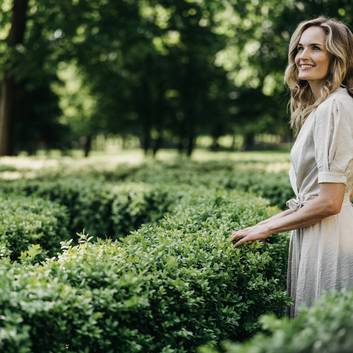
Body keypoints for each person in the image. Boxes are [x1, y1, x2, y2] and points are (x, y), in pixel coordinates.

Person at [229, 16, 353, 318]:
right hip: (320, 231)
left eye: (315, 48)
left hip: (330, 239)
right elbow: (313, 198)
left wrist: (268, 228)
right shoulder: (325, 107)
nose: (302, 56)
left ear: (337, 57)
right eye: (299, 48)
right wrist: (260, 225)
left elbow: (329, 202)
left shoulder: (335, 107)